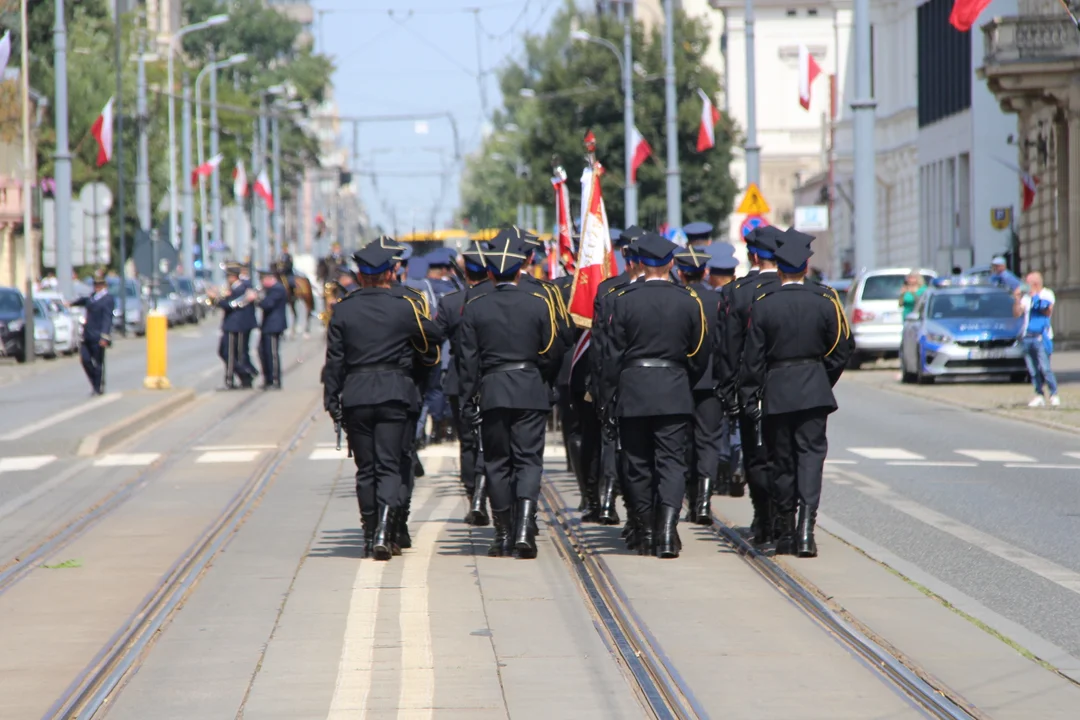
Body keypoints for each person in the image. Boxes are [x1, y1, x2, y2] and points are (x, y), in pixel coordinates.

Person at [323, 242, 443, 561]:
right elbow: (434, 337)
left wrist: (332, 400)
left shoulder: (343, 309)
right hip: (395, 392)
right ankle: (384, 532)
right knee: (390, 465)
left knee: (366, 469)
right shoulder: (405, 306)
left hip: (357, 394)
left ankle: (369, 532)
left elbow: (334, 361)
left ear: (361, 275)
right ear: (390, 272)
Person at [740, 232, 852, 557]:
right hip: (813, 390)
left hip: (777, 390)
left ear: (779, 269)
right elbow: (840, 350)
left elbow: (753, 359)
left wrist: (750, 396)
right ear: (806, 266)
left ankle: (788, 529)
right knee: (811, 460)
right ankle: (806, 531)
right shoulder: (825, 301)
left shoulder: (764, 305)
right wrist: (821, 378)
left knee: (782, 461)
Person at [458, 232, 565, 559]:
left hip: (492, 391)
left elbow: (468, 359)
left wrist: (468, 397)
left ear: (490, 273)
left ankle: (503, 533)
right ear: (521, 270)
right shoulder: (538, 303)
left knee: (497, 463)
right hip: (529, 388)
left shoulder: (475, 306)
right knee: (528, 460)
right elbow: (551, 350)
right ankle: (523, 532)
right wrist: (540, 379)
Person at [602, 232, 707, 558]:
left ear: (637, 263)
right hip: (674, 389)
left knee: (637, 463)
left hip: (634, 389)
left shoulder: (623, 300)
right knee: (672, 464)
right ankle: (666, 531)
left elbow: (612, 355)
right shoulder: (689, 299)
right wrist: (682, 378)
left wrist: (609, 395)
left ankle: (647, 530)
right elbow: (700, 351)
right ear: (671, 263)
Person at [716, 226, 785, 542]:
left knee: (756, 456)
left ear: (753, 255)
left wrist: (728, 390)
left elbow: (728, 347)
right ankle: (787, 519)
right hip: (790, 386)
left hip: (751, 388)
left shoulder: (738, 291)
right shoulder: (801, 288)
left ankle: (764, 518)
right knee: (786, 456)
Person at [592, 226, 646, 527]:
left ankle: (608, 497)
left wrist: (600, 383)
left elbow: (601, 342)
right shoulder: (672, 290)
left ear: (623, 253)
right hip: (659, 385)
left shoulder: (608, 289)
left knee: (612, 441)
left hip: (618, 379)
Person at [437, 243, 493, 525]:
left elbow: (434, 337)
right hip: (495, 376)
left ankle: (475, 496)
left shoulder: (450, 302)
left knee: (468, 442)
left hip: (462, 378)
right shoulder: (500, 298)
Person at [674, 245, 723, 525]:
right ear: (705, 272)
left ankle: (681, 498)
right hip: (711, 380)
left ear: (680, 273)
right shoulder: (718, 301)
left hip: (681, 379)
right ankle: (702, 503)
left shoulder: (675, 299)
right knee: (707, 442)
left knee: (679, 442)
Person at [211, 262, 259, 389]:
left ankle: (234, 378)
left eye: (229, 276)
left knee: (231, 353)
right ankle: (246, 374)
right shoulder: (233, 288)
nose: (228, 279)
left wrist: (217, 299)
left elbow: (231, 305)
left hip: (236, 325)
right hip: (230, 325)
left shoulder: (242, 288)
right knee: (224, 352)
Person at [1015, 271, 1059, 407]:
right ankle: (1039, 394)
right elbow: (1017, 313)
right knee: (1033, 370)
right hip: (1027, 337)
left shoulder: (1047, 294)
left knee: (1045, 368)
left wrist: (1035, 296)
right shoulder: (1026, 297)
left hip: (1041, 337)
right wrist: (1017, 298)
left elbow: (1047, 311)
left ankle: (1053, 394)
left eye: (1027, 283)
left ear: (1035, 283)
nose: (1025, 286)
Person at [70, 269, 115, 396]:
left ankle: (97, 386)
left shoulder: (107, 299)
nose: (97, 287)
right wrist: (70, 303)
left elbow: (107, 318)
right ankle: (95, 381)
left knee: (98, 362)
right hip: (87, 334)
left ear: (104, 286)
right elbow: (84, 301)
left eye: (99, 285)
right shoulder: (92, 297)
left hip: (99, 335)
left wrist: (105, 336)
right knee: (85, 360)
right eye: (95, 285)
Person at [257, 268, 288, 390]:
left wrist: (257, 299)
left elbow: (267, 304)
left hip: (274, 326)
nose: (262, 283)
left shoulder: (277, 289)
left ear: (269, 279)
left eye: (263, 280)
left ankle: (275, 380)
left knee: (272, 353)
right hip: (267, 326)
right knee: (263, 352)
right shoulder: (271, 290)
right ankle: (268, 379)